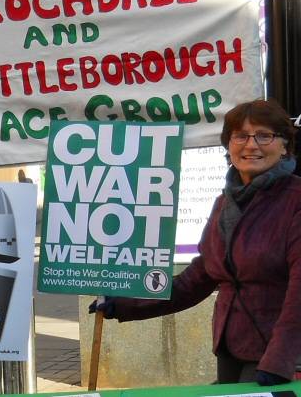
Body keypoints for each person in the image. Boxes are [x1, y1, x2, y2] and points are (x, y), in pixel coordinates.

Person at [90, 99, 301, 385]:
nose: (251, 145)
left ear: (284, 145)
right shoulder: (225, 203)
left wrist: (280, 361)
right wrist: (125, 302)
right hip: (231, 347)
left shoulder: (295, 200)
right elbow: (198, 278)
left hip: (280, 354)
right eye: (240, 135)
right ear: (229, 145)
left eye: (264, 135)